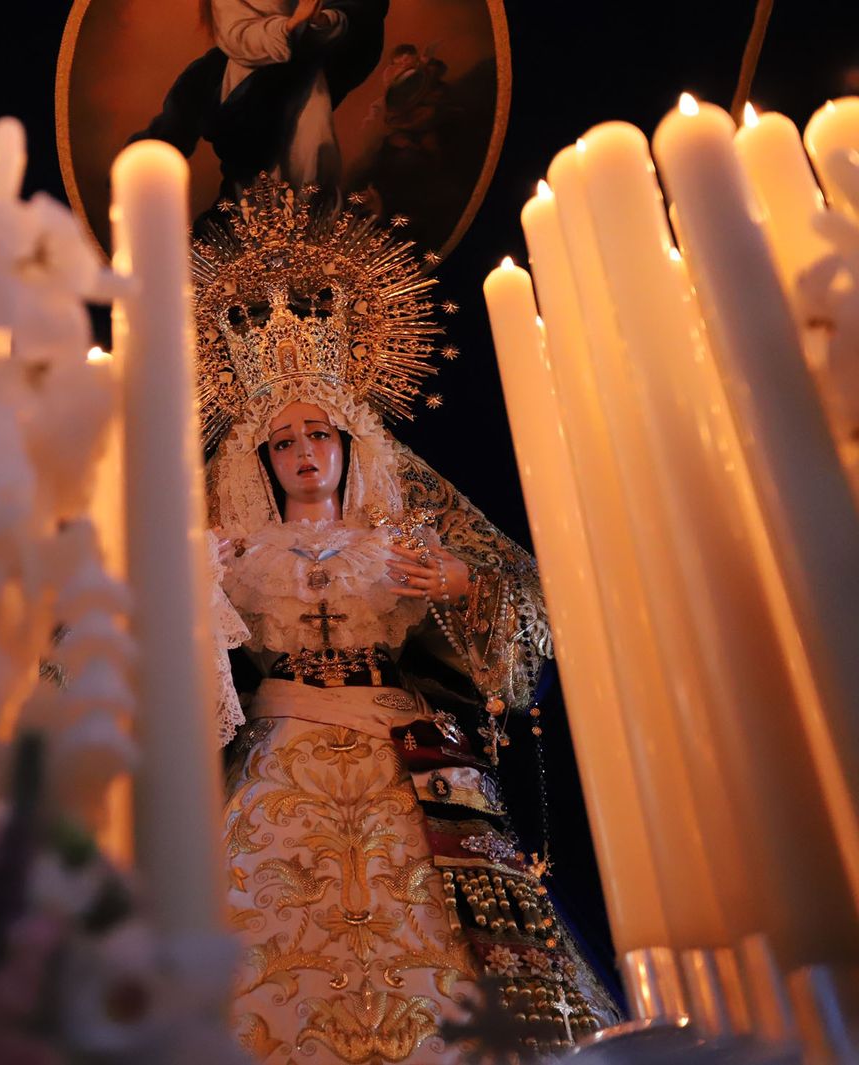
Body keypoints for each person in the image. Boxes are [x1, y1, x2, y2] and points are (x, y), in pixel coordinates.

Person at [195, 178, 618, 1062]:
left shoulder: (402, 532)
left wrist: (461, 582)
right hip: (277, 747)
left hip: (407, 753)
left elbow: (530, 602)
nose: (304, 452)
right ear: (260, 456)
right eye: (284, 440)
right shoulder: (232, 544)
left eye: (319, 434)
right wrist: (195, 585)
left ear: (351, 441)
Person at [130, 0, 387, 208]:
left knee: (312, 158)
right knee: (260, 179)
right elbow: (236, 36)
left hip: (305, 85)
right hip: (253, 85)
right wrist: (289, 26)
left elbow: (337, 20)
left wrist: (321, 21)